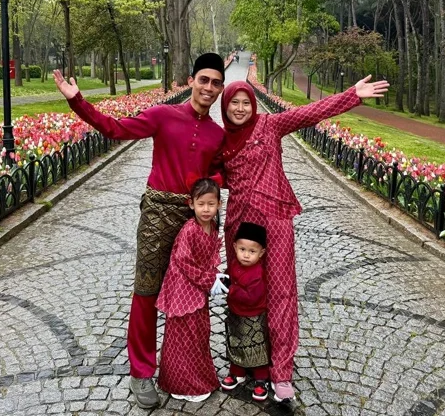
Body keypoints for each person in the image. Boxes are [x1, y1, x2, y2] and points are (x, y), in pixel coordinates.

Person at [52, 52, 226, 409]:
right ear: (191, 81)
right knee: (146, 293)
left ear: (221, 88)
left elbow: (222, 172)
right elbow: (116, 129)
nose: (209, 87)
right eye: (204, 80)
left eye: (216, 83)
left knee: (192, 298)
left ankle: (183, 366)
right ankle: (141, 371)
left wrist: (210, 186)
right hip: (157, 217)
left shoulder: (216, 134)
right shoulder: (164, 115)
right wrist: (77, 101)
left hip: (194, 222)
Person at [216, 75, 389, 404]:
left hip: (275, 220)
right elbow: (204, 169)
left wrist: (352, 95)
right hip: (239, 226)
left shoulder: (270, 125)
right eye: (233, 103)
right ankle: (246, 359)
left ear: (253, 105)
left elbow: (310, 113)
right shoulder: (222, 140)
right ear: (225, 107)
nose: (239, 108)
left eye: (245, 102)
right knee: (243, 292)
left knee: (280, 294)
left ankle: (280, 371)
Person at [156, 177, 223, 402]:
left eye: (211, 204)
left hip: (198, 288)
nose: (206, 209)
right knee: (183, 337)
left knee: (199, 334)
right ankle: (179, 383)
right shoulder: (189, 230)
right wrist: (208, 280)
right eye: (201, 204)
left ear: (219, 204)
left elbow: (210, 257)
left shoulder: (213, 227)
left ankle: (197, 379)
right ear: (191, 204)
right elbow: (184, 261)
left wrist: (215, 276)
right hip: (182, 288)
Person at [220, 221, 269, 402]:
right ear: (235, 247)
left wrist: (231, 289)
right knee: (236, 342)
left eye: (252, 251)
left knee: (257, 346)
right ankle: (237, 371)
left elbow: (251, 297)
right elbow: (228, 277)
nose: (246, 255)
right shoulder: (234, 264)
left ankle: (261, 378)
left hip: (254, 317)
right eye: (242, 249)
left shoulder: (258, 272)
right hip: (236, 313)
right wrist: (222, 281)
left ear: (261, 253)